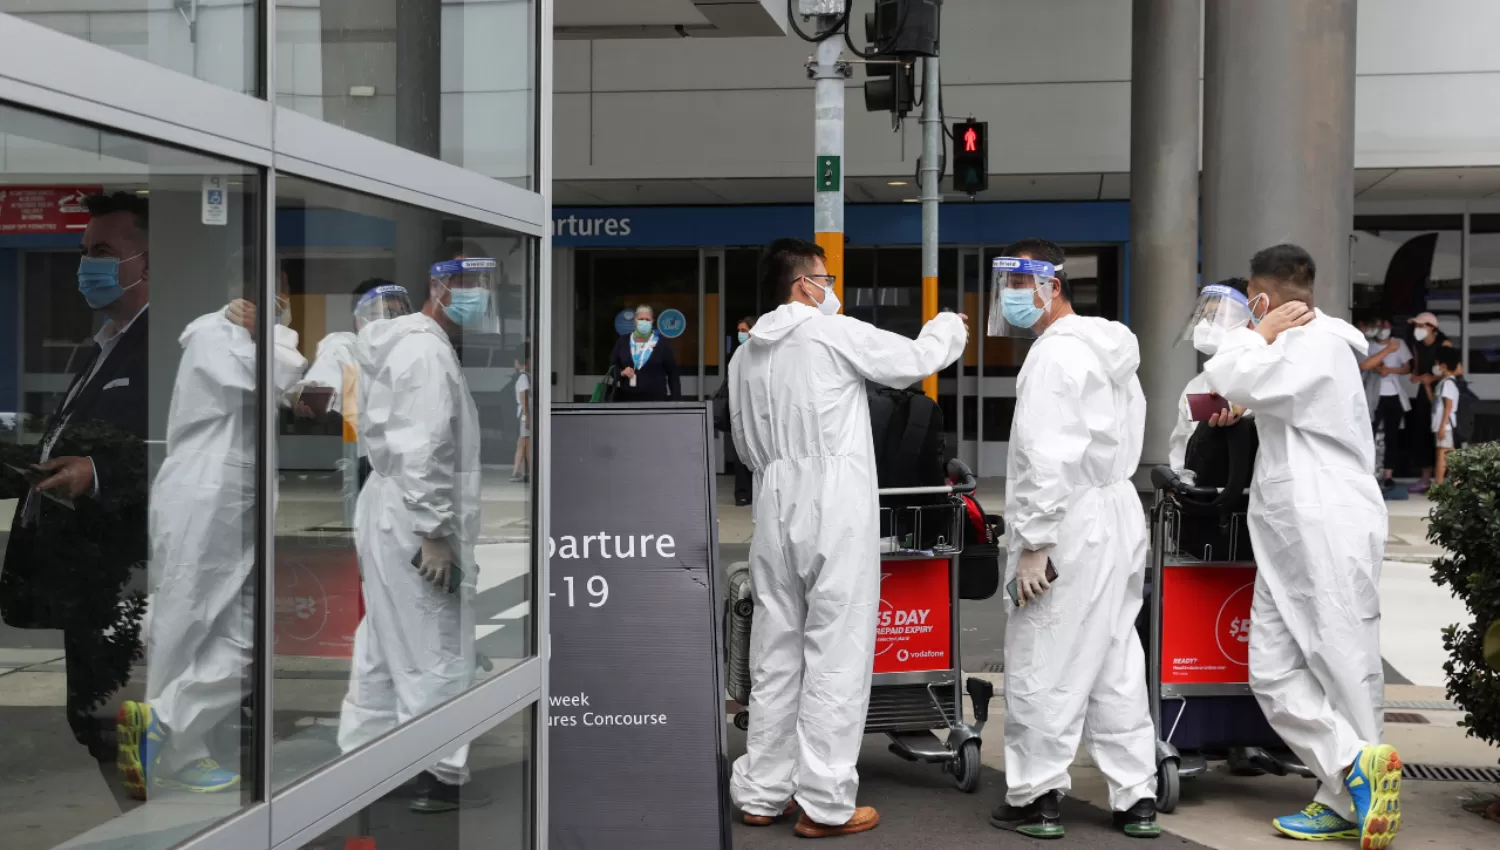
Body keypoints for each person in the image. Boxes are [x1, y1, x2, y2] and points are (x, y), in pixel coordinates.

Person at [728, 238, 966, 838]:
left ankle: (762, 789)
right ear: (804, 284)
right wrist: (946, 326)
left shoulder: (743, 357)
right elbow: (913, 361)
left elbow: (745, 445)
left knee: (774, 651)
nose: (830, 287)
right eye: (825, 277)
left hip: (773, 502)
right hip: (833, 503)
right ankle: (826, 803)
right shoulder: (829, 334)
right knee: (836, 651)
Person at [1203, 244, 1400, 845]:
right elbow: (1251, 390)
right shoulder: (1303, 346)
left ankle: (1352, 788)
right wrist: (1245, 405)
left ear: (1262, 297)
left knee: (1341, 658)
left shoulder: (1310, 342)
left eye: (1252, 305)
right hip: (1299, 523)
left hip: (1324, 518)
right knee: (1272, 668)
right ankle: (1349, 771)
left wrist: (1255, 335)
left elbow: (1228, 369)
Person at [986, 238, 1160, 840]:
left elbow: (1047, 456)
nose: (1008, 299)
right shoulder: (1109, 347)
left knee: (1044, 651)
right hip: (1115, 510)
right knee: (1115, 655)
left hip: (1069, 520)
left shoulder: (1054, 357)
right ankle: (1136, 796)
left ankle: (1037, 796)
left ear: (1050, 286)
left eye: (1015, 286)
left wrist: (1035, 540)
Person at [118, 257, 307, 799]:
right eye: (271, 292)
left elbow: (283, 380)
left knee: (248, 634)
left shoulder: (247, 338)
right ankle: (177, 751)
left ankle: (166, 724)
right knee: (185, 620)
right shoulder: (212, 330)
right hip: (204, 495)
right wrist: (265, 331)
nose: (274, 301)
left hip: (233, 500)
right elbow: (278, 369)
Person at [0, 192, 151, 803]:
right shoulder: (104, 343)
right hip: (84, 572)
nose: (88, 265)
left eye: (104, 252)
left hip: (128, 574)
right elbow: (80, 438)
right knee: (95, 722)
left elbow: (185, 448)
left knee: (124, 724)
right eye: (85, 251)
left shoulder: (165, 343)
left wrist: (98, 471)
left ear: (147, 261)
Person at [338, 250, 491, 814]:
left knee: (384, 640)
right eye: (468, 282)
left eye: (484, 282)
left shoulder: (397, 345)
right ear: (438, 288)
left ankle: (370, 759)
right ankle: (436, 770)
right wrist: (433, 530)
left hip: (386, 504)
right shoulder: (426, 350)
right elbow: (425, 446)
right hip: (413, 512)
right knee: (437, 641)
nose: (479, 292)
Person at [1168, 278, 1250, 478]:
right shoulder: (1196, 386)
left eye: (1218, 315)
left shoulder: (1267, 374)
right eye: (1204, 315)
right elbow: (1182, 447)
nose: (1206, 324)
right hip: (1207, 498)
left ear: (1248, 320)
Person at [1358, 317, 1412, 489]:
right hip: (1373, 395)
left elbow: (1407, 368)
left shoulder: (1399, 343)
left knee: (1392, 436)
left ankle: (1388, 474)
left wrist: (1389, 370)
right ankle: (1369, 472)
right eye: (1381, 325)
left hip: (1394, 395)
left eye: (1388, 325)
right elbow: (1365, 365)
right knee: (1369, 434)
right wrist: (1386, 352)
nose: (1384, 328)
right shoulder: (1367, 344)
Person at [1406, 311, 1455, 493]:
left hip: (1442, 393)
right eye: (1416, 326)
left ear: (1432, 328)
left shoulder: (1444, 344)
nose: (1418, 329)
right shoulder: (1417, 346)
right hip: (1423, 394)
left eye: (1421, 325)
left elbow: (1456, 370)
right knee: (1421, 433)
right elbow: (1416, 370)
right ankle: (1425, 478)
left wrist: (1432, 378)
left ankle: (1447, 479)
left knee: (1444, 436)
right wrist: (1417, 378)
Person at [714, 316, 758, 506]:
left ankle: (756, 491)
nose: (741, 334)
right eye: (739, 331)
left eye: (744, 330)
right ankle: (742, 493)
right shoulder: (735, 354)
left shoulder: (760, 354)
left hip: (756, 409)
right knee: (740, 451)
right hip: (738, 408)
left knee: (757, 452)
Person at [609, 304, 681, 402]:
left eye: (647, 320)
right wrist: (621, 373)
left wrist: (676, 400)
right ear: (635, 321)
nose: (644, 322)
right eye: (641, 319)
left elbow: (673, 373)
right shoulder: (623, 341)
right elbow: (612, 367)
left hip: (656, 401)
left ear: (652, 321)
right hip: (628, 399)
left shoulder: (662, 343)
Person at [1433, 347, 1463, 485]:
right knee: (1450, 455)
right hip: (1443, 425)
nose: (1435, 366)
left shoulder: (1448, 384)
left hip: (1445, 425)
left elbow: (1448, 407)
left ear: (1443, 365)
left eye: (1437, 363)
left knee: (1442, 455)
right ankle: (1459, 482)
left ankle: (1439, 485)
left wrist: (1442, 427)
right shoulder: (1444, 383)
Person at [511, 350, 532, 483]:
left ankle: (517, 471)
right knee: (526, 444)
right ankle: (527, 471)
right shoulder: (525, 377)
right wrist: (527, 416)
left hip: (524, 414)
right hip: (525, 415)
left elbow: (524, 398)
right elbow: (524, 398)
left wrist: (526, 415)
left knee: (522, 444)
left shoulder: (524, 377)